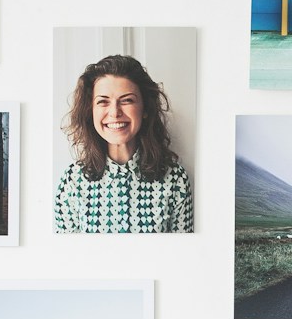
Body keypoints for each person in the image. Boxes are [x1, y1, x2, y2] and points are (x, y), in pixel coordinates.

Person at [55, 53, 193, 233]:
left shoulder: (176, 179)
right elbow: (67, 259)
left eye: (127, 100)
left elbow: (184, 258)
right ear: (91, 111)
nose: (114, 112)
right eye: (103, 102)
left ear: (145, 109)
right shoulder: (72, 181)